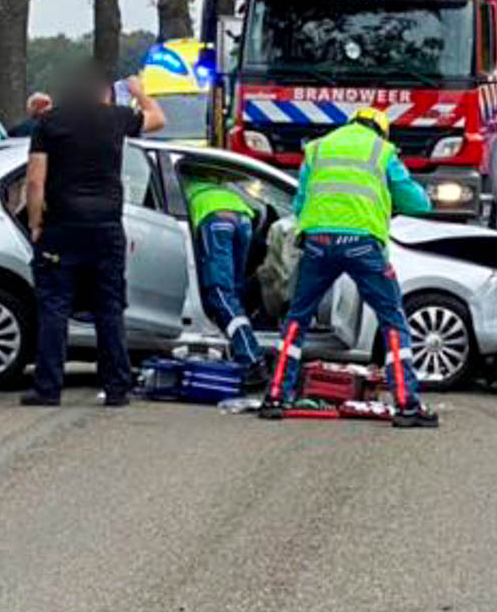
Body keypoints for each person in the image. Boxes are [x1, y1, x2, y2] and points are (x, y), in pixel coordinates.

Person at [263, 107, 439, 429]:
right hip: (362, 245)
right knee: (392, 319)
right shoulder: (382, 150)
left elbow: (300, 203)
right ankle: (406, 404)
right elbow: (417, 203)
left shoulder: (317, 148)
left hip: (318, 242)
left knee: (297, 317)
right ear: (381, 130)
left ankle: (275, 397)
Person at [21, 62, 165, 407]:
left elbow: (35, 180)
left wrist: (36, 223)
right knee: (109, 308)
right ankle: (116, 388)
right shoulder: (116, 118)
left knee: (54, 308)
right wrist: (139, 92)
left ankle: (48, 388)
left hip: (61, 226)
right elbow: (158, 119)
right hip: (106, 226)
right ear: (105, 91)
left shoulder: (49, 123)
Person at [184, 170, 269, 388]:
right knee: (233, 292)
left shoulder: (184, 182)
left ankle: (251, 359)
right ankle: (235, 348)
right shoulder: (216, 179)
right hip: (243, 217)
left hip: (214, 217)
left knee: (220, 293)